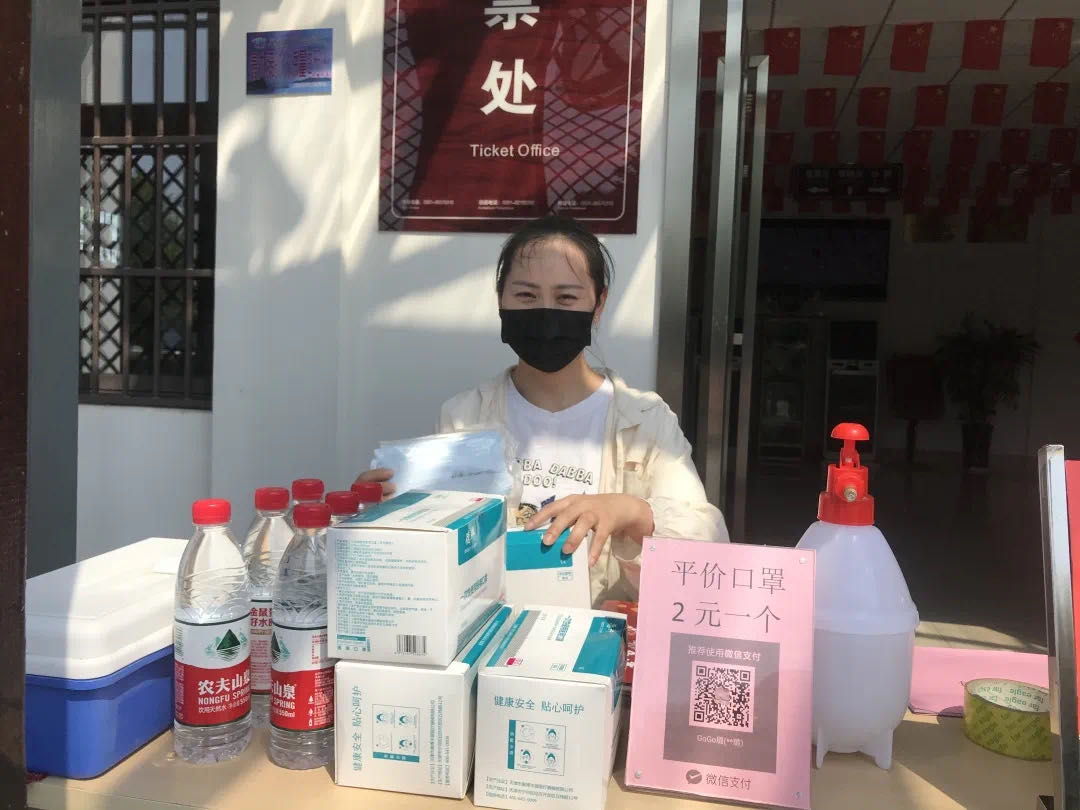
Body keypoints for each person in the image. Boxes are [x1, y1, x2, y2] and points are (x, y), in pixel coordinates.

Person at [357, 215, 728, 604]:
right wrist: (385, 517)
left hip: (601, 634)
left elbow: (710, 550)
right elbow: (440, 552)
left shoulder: (646, 422)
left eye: (566, 298)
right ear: (500, 300)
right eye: (526, 296)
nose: (546, 313)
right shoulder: (465, 415)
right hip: (493, 631)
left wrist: (633, 513)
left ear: (598, 304)